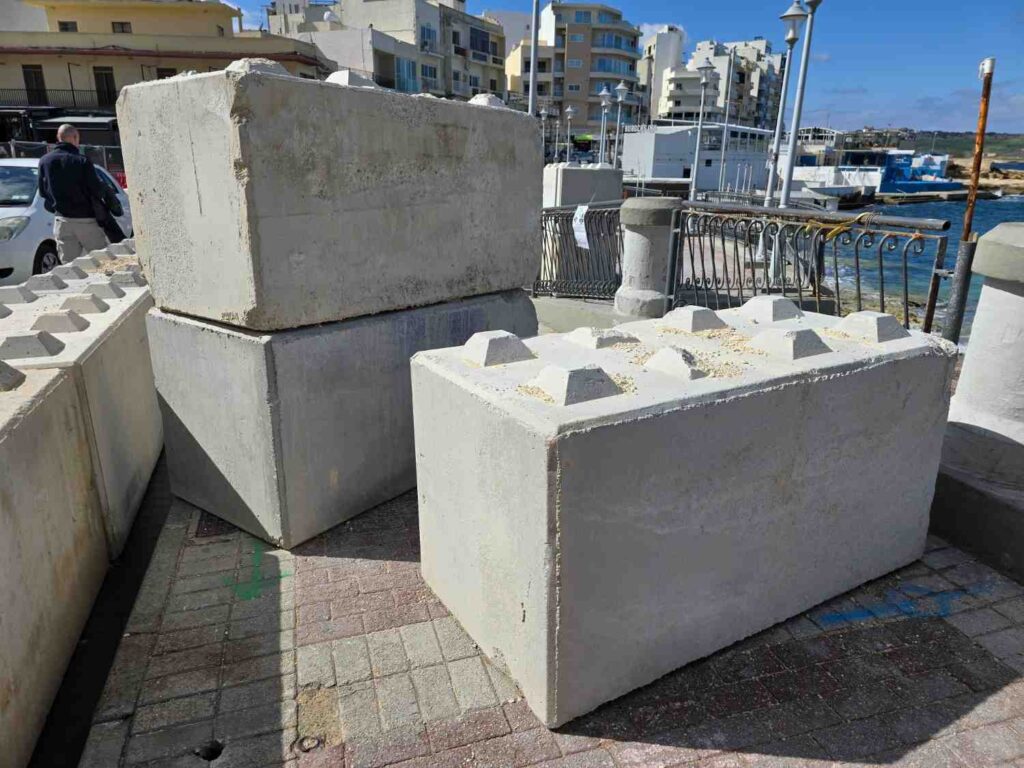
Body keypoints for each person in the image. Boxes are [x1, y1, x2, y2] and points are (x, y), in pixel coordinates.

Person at [38, 124, 109, 263]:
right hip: (86, 219)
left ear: (58, 138)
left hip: (62, 221)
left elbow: (43, 191)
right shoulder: (82, 160)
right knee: (103, 263)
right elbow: (96, 189)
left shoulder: (44, 161)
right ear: (75, 138)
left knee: (69, 269)